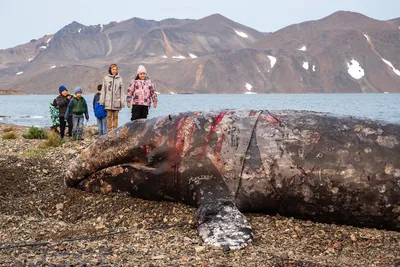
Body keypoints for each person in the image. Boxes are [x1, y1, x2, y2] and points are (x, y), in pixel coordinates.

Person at [100, 63, 125, 132]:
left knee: (116, 117)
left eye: (116, 69)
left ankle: (115, 130)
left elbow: (122, 92)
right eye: (113, 69)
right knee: (109, 116)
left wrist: (122, 102)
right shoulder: (106, 78)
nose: (114, 71)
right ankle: (109, 131)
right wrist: (102, 101)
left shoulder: (120, 79)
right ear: (110, 70)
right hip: (108, 102)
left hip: (116, 102)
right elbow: (103, 90)